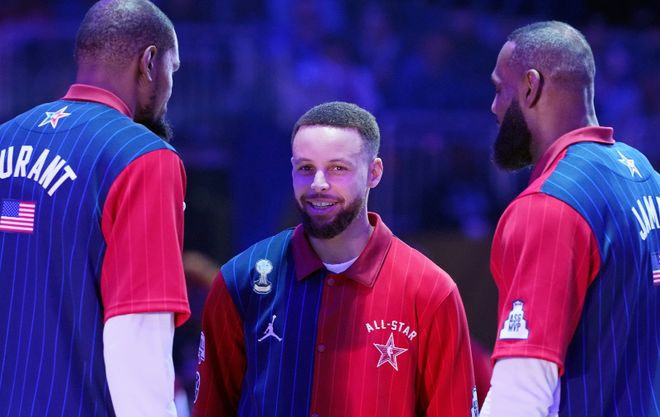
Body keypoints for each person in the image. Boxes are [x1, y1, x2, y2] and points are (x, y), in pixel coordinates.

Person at [193, 101, 478, 417]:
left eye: (337, 168)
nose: (318, 184)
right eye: (305, 168)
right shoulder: (241, 280)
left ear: (374, 173)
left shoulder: (431, 291)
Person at [0, 1, 190, 416]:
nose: (170, 87)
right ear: (150, 62)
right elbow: (137, 337)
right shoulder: (144, 158)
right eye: (172, 69)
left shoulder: (5, 139)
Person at [481, 21, 660, 417]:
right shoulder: (647, 177)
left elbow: (521, 395)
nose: (494, 108)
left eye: (499, 90)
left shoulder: (548, 205)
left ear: (530, 86)